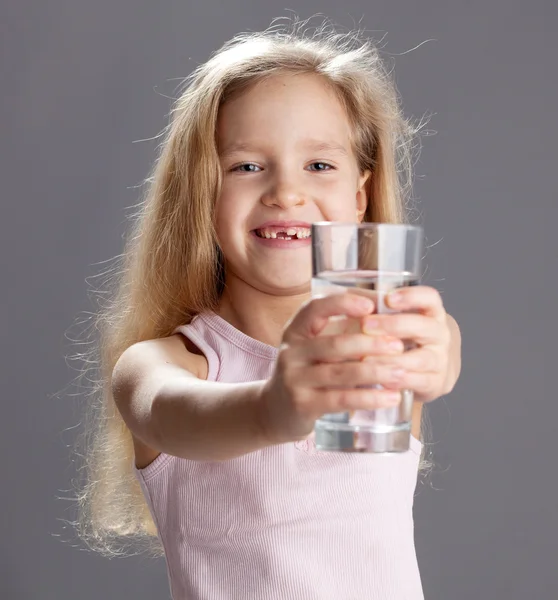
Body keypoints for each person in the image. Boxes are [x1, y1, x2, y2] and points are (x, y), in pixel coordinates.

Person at [75, 18, 461, 600]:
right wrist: (272, 407)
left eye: (319, 165)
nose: (286, 192)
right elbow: (170, 411)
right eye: (247, 166)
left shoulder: (383, 340)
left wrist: (438, 357)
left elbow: (442, 348)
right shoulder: (166, 364)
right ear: (203, 194)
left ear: (359, 197)